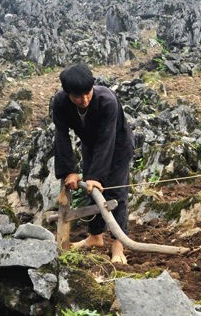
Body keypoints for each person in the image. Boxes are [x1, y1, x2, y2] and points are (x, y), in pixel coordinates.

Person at [51, 63, 134, 264]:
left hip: (118, 145)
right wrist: (69, 171)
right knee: (91, 190)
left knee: (115, 192)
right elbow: (61, 136)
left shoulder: (107, 101)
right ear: (68, 93)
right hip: (90, 145)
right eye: (77, 96)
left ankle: (118, 244)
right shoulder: (60, 103)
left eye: (87, 93)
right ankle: (95, 237)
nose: (84, 99)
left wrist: (95, 177)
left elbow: (107, 139)